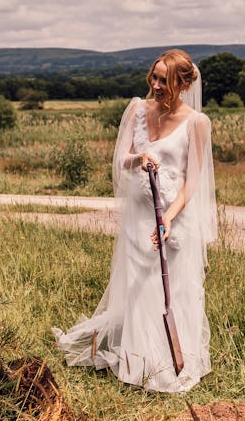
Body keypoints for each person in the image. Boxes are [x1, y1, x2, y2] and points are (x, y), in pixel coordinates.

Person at [53, 49, 217, 392]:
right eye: (153, 77)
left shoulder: (196, 123)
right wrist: (139, 159)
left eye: (165, 80)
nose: (156, 85)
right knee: (139, 287)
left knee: (170, 290)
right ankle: (136, 365)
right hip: (138, 217)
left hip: (173, 219)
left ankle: (170, 363)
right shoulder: (137, 110)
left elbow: (194, 181)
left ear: (184, 84)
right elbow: (120, 161)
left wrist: (169, 218)